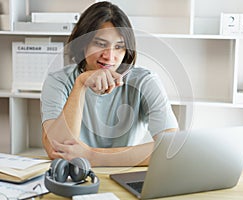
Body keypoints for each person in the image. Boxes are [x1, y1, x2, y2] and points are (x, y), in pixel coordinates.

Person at [40, 1, 178, 167]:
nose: (110, 56)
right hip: (73, 174)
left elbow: (170, 148)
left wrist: (91, 156)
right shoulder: (58, 81)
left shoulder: (145, 81)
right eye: (100, 44)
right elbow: (57, 151)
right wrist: (80, 85)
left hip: (124, 172)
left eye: (119, 46)